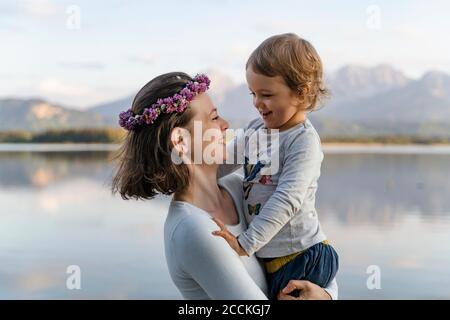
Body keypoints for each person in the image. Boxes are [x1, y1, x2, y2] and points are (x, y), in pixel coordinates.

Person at [111, 71, 338, 299]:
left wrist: (326, 296)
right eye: (214, 117)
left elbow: (307, 246)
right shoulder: (193, 229)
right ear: (180, 141)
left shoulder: (240, 186)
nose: (226, 125)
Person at [212, 33, 339, 299]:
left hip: (303, 257)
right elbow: (223, 163)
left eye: (266, 94)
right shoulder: (256, 128)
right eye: (253, 93)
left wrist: (244, 244)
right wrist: (189, 172)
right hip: (273, 258)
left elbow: (287, 199)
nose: (257, 103)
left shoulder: (303, 142)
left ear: (301, 92)